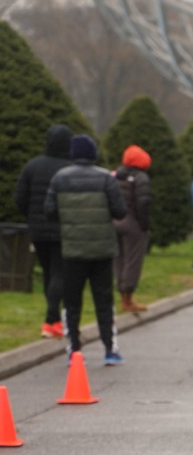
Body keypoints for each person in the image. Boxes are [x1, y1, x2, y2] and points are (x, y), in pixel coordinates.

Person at [44, 134, 127, 364]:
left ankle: (74, 350)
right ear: (93, 153)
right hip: (102, 249)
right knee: (104, 301)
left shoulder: (59, 178)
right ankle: (110, 349)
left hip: (72, 249)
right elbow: (120, 211)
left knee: (72, 302)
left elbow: (49, 211)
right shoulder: (105, 178)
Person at [13, 122, 74, 339]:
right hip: (62, 228)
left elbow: (19, 198)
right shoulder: (70, 169)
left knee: (49, 272)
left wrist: (32, 216)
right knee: (59, 272)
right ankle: (51, 320)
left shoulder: (32, 166)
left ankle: (54, 319)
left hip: (38, 229)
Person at [114, 144, 153, 313]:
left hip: (115, 222)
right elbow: (143, 202)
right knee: (133, 261)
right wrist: (144, 224)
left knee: (119, 261)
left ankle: (122, 295)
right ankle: (128, 299)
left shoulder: (117, 176)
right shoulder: (141, 178)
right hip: (133, 223)